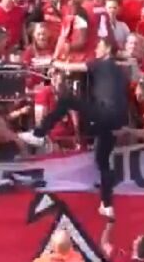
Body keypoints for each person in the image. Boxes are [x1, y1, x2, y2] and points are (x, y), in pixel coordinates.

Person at [20, 43, 130, 218]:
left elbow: (70, 67)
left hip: (104, 112)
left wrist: (51, 62)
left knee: (66, 101)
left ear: (107, 51)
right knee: (103, 161)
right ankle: (107, 204)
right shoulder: (121, 71)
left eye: (99, 47)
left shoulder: (101, 63)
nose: (96, 50)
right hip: (117, 119)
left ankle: (39, 134)